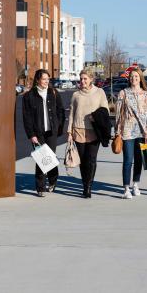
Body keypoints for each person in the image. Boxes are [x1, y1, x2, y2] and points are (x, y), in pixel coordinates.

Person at [22, 69, 65, 197]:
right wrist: (31, 135)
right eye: (44, 79)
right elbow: (27, 117)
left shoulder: (53, 92)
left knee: (50, 157)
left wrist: (58, 127)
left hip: (51, 131)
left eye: (48, 79)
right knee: (41, 159)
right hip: (38, 132)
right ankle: (40, 187)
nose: (47, 81)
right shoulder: (29, 96)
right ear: (37, 80)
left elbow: (61, 111)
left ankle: (52, 180)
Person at [67, 69, 109, 198]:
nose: (83, 81)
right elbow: (71, 114)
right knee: (83, 161)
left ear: (91, 79)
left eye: (85, 78)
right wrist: (69, 132)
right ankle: (85, 184)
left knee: (91, 160)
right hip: (78, 130)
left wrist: (95, 116)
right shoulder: (76, 95)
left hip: (94, 131)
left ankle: (89, 187)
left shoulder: (99, 92)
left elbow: (105, 110)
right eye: (81, 79)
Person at [115, 68, 147, 199]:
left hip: (143, 132)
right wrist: (117, 131)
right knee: (128, 160)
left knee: (139, 160)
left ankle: (135, 184)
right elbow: (118, 114)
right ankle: (126, 188)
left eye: (136, 76)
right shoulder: (123, 93)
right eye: (131, 76)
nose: (134, 79)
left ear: (140, 78)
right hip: (127, 130)